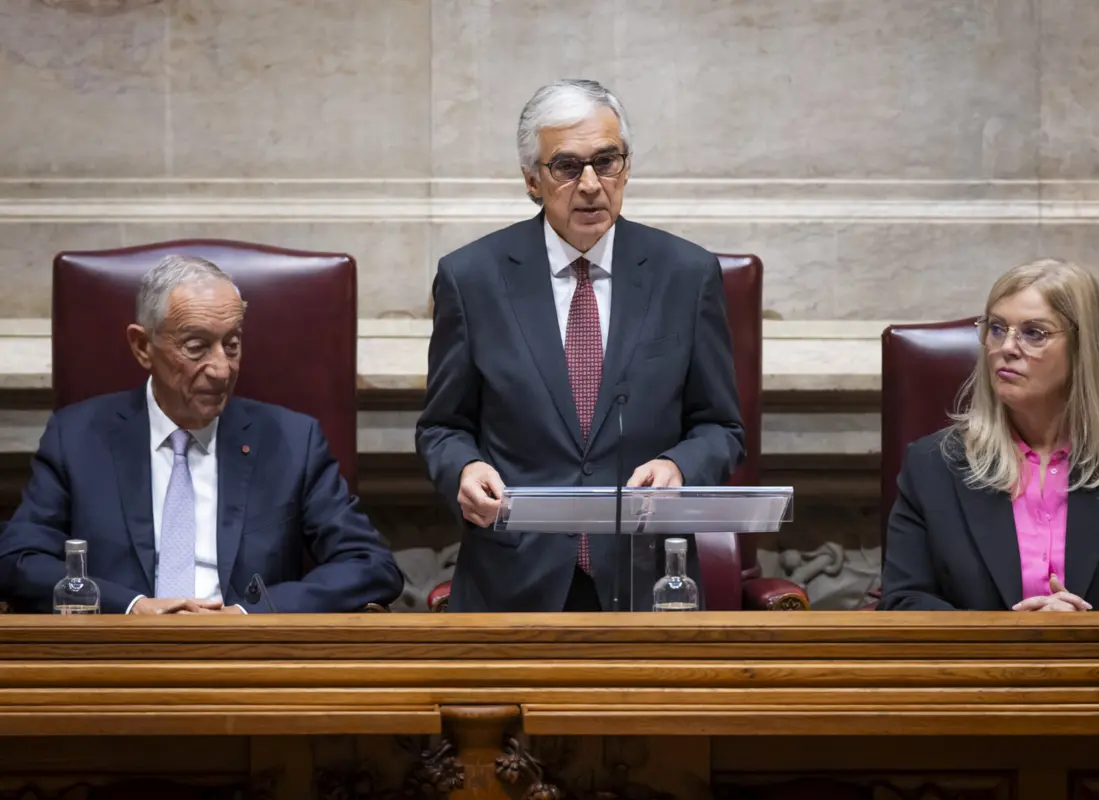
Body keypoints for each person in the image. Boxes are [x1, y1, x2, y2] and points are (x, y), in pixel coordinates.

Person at [416, 79, 744, 612]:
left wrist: (679, 466)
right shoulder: (471, 278)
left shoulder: (686, 274)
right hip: (512, 582)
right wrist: (465, 469)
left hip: (647, 580)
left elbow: (720, 427)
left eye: (606, 161)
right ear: (531, 180)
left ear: (626, 167)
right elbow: (443, 427)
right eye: (568, 167)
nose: (591, 184)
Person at [0, 255, 403, 614]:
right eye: (197, 347)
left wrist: (253, 614)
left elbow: (371, 565)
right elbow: (17, 559)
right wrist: (132, 607)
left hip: (249, 664)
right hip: (118, 659)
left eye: (232, 344)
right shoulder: (77, 437)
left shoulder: (293, 442)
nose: (222, 369)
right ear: (143, 346)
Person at [880, 258, 1099, 612]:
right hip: (974, 665)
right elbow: (902, 601)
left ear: (1081, 348)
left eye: (1034, 333)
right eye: (997, 328)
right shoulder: (932, 465)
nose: (1007, 347)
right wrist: (1006, 636)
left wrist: (1086, 632)